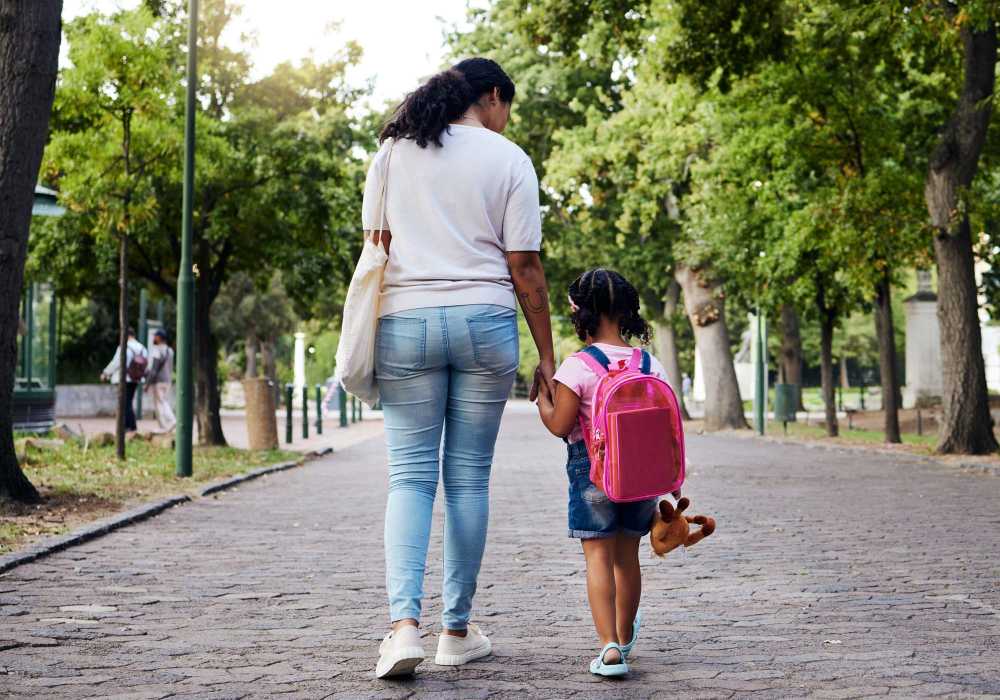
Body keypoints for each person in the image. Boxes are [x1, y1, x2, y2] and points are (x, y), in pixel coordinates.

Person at [367, 57, 554, 679]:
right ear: (493, 97)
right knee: (468, 480)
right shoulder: (509, 160)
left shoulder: (392, 154)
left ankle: (401, 630)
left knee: (409, 479)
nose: (506, 120)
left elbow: (378, 249)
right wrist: (548, 355)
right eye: (508, 107)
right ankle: (455, 630)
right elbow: (524, 266)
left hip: (407, 323)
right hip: (484, 323)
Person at [535, 269, 669, 677]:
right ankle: (626, 638)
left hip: (591, 472)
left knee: (598, 558)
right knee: (627, 559)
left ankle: (608, 647)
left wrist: (542, 398)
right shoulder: (649, 363)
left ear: (581, 314)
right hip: (640, 475)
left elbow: (560, 424)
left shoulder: (578, 366)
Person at [100, 327, 147, 433]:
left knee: (124, 403)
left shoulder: (124, 347)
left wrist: (106, 373)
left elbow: (117, 362)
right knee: (128, 401)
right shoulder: (142, 348)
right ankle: (132, 426)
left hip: (124, 378)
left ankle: (127, 427)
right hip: (136, 378)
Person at [145, 329, 176, 432]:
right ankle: (166, 425)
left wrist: (147, 383)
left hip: (158, 381)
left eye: (155, 336)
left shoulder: (157, 350)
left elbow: (154, 369)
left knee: (160, 403)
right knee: (164, 401)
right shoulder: (170, 351)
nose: (154, 338)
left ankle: (168, 423)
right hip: (168, 380)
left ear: (159, 338)